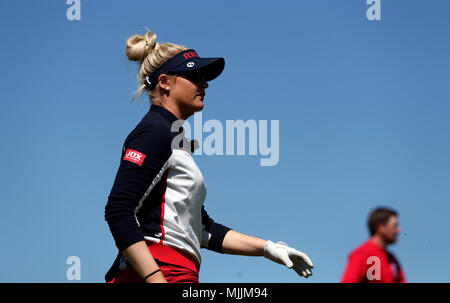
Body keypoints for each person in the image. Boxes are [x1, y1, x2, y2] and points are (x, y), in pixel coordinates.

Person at [104, 30, 314, 283]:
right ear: (164, 82)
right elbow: (119, 210)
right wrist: (155, 278)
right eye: (194, 75)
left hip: (178, 271)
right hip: (161, 270)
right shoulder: (154, 131)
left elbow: (202, 230)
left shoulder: (173, 137)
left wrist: (269, 248)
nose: (205, 83)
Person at [341, 207, 406, 283]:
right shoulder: (363, 254)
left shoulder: (392, 259)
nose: (398, 230)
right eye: (395, 226)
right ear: (381, 228)